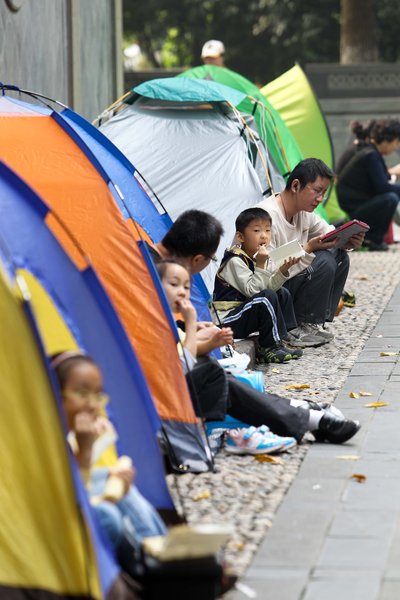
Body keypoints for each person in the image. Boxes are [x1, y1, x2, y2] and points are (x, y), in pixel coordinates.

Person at [156, 258, 361, 449]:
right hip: (171, 397)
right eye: (174, 285)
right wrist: (192, 326)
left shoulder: (167, 319)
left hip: (188, 386)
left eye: (186, 287)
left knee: (224, 378)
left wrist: (209, 340)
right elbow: (184, 364)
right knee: (214, 375)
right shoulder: (235, 260)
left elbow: (185, 352)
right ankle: (309, 415)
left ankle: (307, 412)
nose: (182, 292)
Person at [50, 352, 167, 561]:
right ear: (53, 394)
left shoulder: (67, 434)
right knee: (108, 516)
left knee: (113, 478)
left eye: (98, 395)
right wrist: (85, 451)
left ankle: (166, 557)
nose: (93, 404)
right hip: (54, 526)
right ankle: (156, 562)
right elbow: (69, 506)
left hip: (72, 503)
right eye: (82, 393)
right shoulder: (40, 441)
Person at [256, 158, 365, 348]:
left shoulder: (303, 212)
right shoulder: (265, 216)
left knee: (338, 256)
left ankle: (311, 324)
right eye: (317, 191)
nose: (320, 199)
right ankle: (294, 328)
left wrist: (348, 241)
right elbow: (264, 267)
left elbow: (329, 233)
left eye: (323, 193)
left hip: (286, 282)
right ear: (296, 185)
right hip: (268, 293)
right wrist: (307, 248)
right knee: (323, 260)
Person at [212, 207, 303, 364]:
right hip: (228, 320)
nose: (264, 236)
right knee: (266, 297)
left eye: (268, 230)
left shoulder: (256, 257)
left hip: (244, 313)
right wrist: (261, 265)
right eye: (256, 230)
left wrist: (283, 270)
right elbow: (254, 291)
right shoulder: (235, 260)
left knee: (281, 293)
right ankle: (268, 347)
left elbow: (267, 287)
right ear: (240, 236)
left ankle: (283, 338)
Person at [336, 119, 400, 251]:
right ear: (390, 140)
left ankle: (372, 239)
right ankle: (374, 240)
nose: (396, 147)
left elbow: (384, 179)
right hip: (352, 210)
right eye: (397, 143)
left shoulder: (371, 152)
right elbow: (383, 187)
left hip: (358, 204)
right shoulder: (371, 155)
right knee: (390, 198)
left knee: (391, 196)